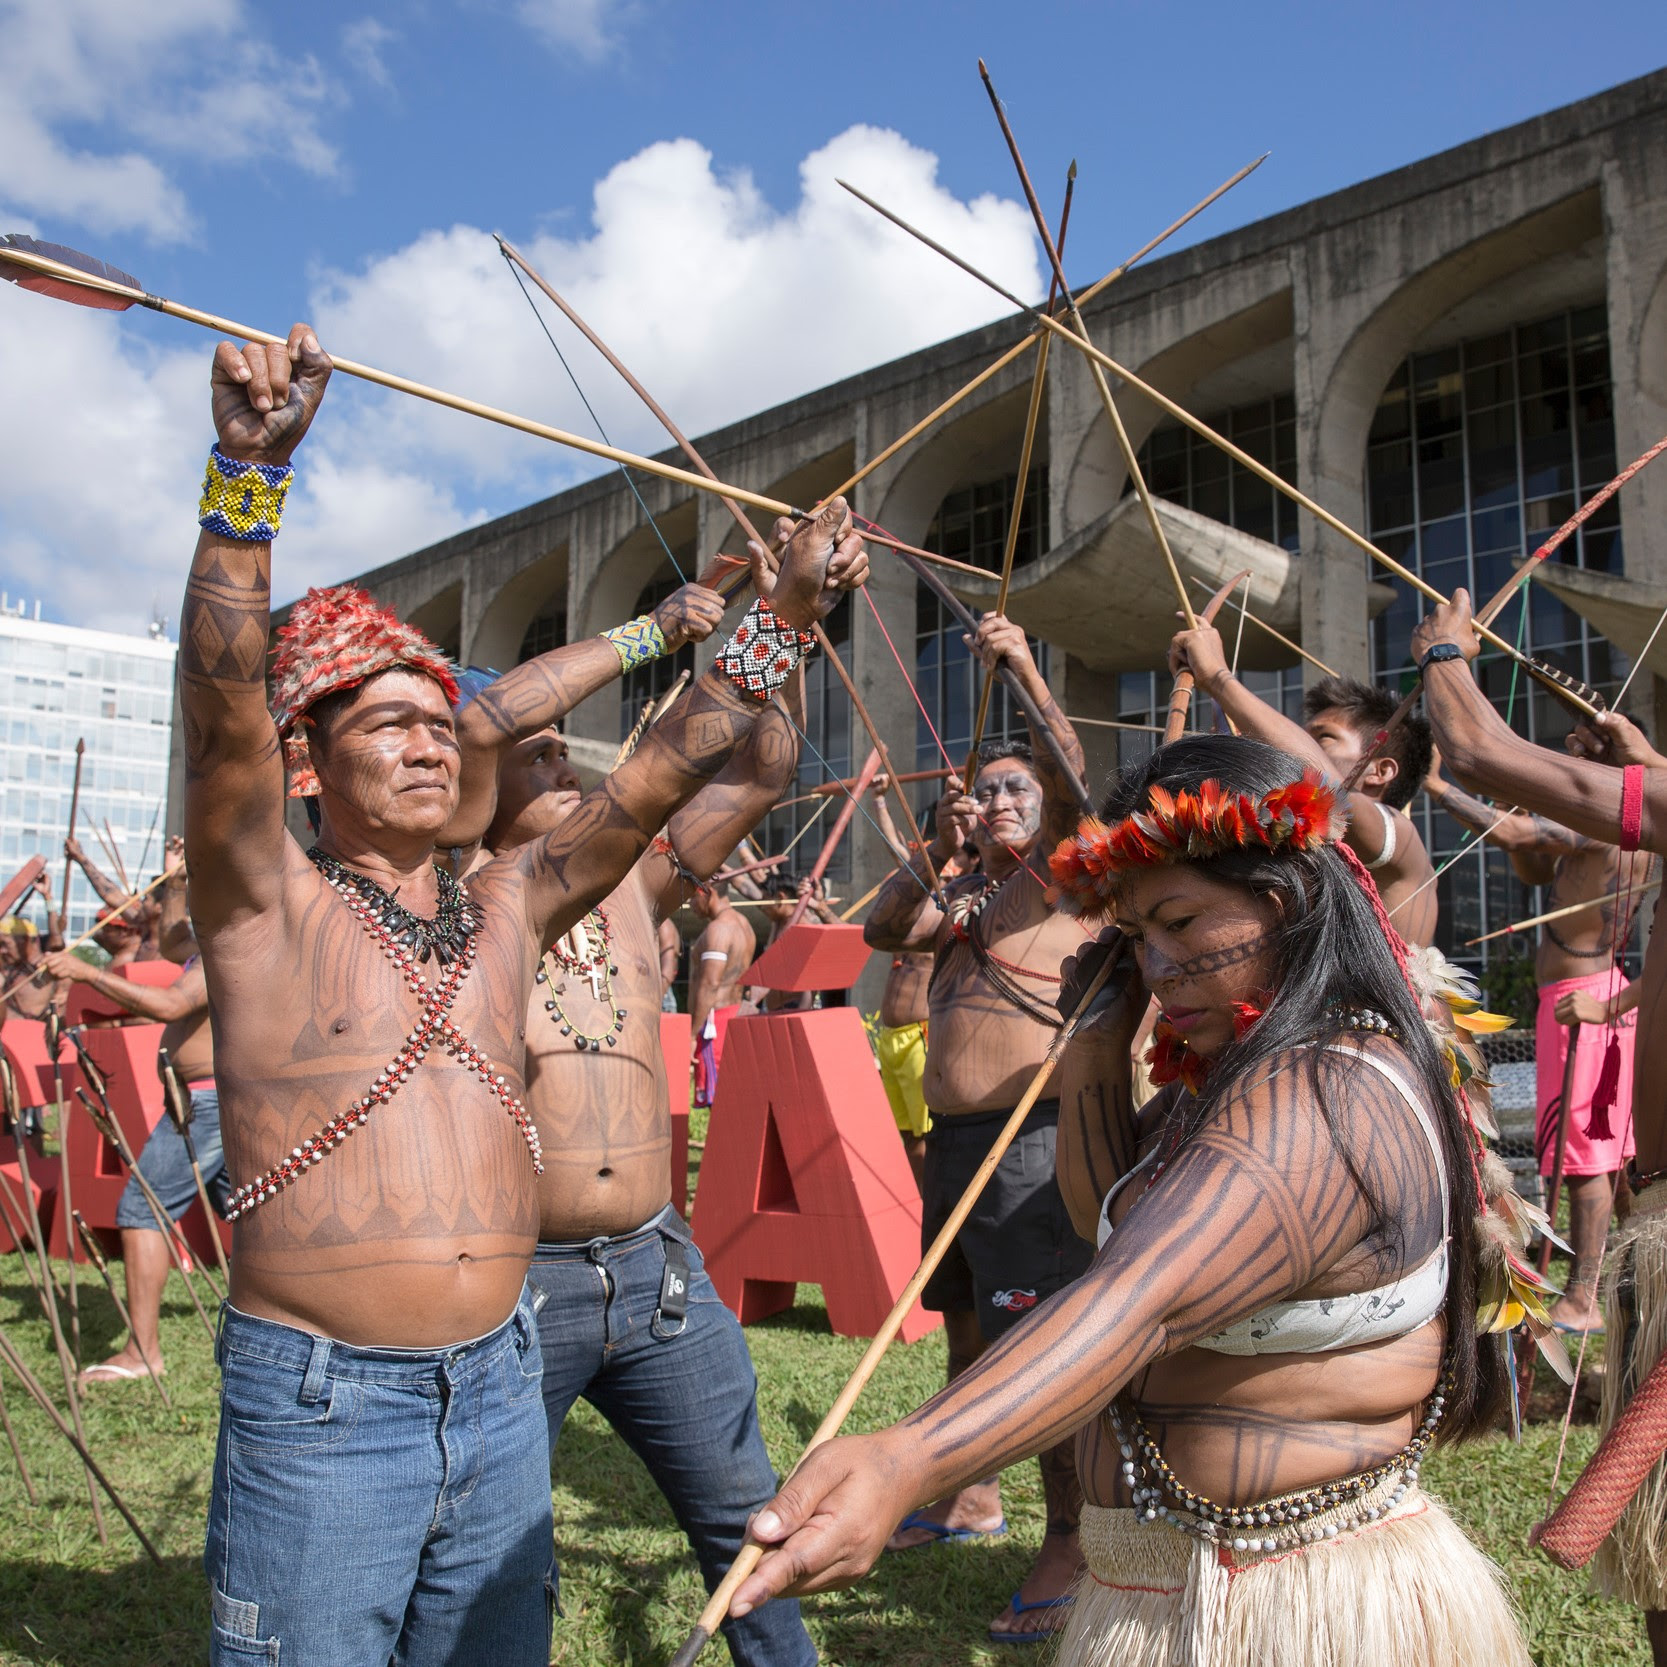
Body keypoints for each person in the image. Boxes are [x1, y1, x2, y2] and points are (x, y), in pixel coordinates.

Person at [178, 320, 865, 1665]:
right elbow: (217, 707)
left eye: (441, 721)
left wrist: (783, 613)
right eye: (388, 722)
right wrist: (244, 485)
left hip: (499, 1385)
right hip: (327, 1409)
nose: (432, 740)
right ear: (307, 761)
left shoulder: (511, 900)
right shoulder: (264, 900)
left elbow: (668, 763)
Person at [733, 734, 1535, 1667]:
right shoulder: (1227, 1074)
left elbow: (1134, 1299)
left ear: (1277, 904)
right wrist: (1091, 1048)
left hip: (1293, 1605)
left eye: (1181, 923)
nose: (1152, 964)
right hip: (1183, 1588)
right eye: (1133, 936)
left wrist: (906, 1457)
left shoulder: (1327, 1091)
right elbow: (1099, 1223)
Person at [483, 664, 817, 1666]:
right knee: (496, 1558)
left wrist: (782, 645)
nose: (558, 754)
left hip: (657, 1274)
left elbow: (762, 769)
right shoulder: (459, 897)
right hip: (510, 1287)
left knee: (746, 1522)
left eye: (563, 743)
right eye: (531, 743)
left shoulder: (638, 875)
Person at [1412, 591, 1667, 1662]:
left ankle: (1569, 1288)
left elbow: (1474, 746)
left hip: (1582, 1012)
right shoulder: (1642, 827)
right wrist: (1639, 754)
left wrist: (1439, 648)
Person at [862, 614, 1091, 1644]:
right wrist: (935, 845)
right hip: (954, 1145)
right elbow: (879, 929)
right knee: (964, 1332)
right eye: (985, 789)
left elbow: (1075, 780)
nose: (999, 801)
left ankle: (1072, 1538)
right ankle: (970, 1496)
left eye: (1014, 789)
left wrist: (1023, 664)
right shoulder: (969, 890)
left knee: (1031, 1346)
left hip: (1030, 1144)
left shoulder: (1067, 876)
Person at [1426, 744, 1655, 1331]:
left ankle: (1584, 1298)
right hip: (1578, 1000)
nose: (1567, 758)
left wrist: (1438, 788)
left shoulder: (1611, 817)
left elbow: (1523, 841)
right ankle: (1628, 1281)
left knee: (1586, 1163)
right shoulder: (1606, 825)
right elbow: (1533, 865)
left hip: (1591, 1001)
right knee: (1604, 1160)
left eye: (1578, 751)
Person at [43, 847, 221, 1388]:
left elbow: (168, 1005)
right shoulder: (199, 943)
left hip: (208, 1102)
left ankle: (144, 1353)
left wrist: (84, 974)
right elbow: (170, 940)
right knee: (259, 1215)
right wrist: (176, 878)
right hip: (201, 1099)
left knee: (141, 1209)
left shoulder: (227, 947)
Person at [1167, 628, 1440, 945]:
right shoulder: (1288, 845)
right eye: (1303, 738)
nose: (1303, 747)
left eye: (1323, 738)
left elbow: (1332, 799)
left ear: (1380, 771)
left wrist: (1217, 677)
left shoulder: (1402, 838)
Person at [689, 880, 755, 1107]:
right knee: (730, 1103)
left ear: (708, 893)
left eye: (692, 896)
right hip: (734, 1017)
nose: (690, 904)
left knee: (719, 1104)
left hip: (714, 1025)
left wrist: (691, 1035)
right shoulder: (744, 924)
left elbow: (710, 983)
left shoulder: (718, 930)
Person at [659, 915, 683, 1011]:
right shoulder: (663, 924)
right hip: (662, 993)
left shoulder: (663, 926)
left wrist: (654, 1000)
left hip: (662, 996)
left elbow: (667, 972)